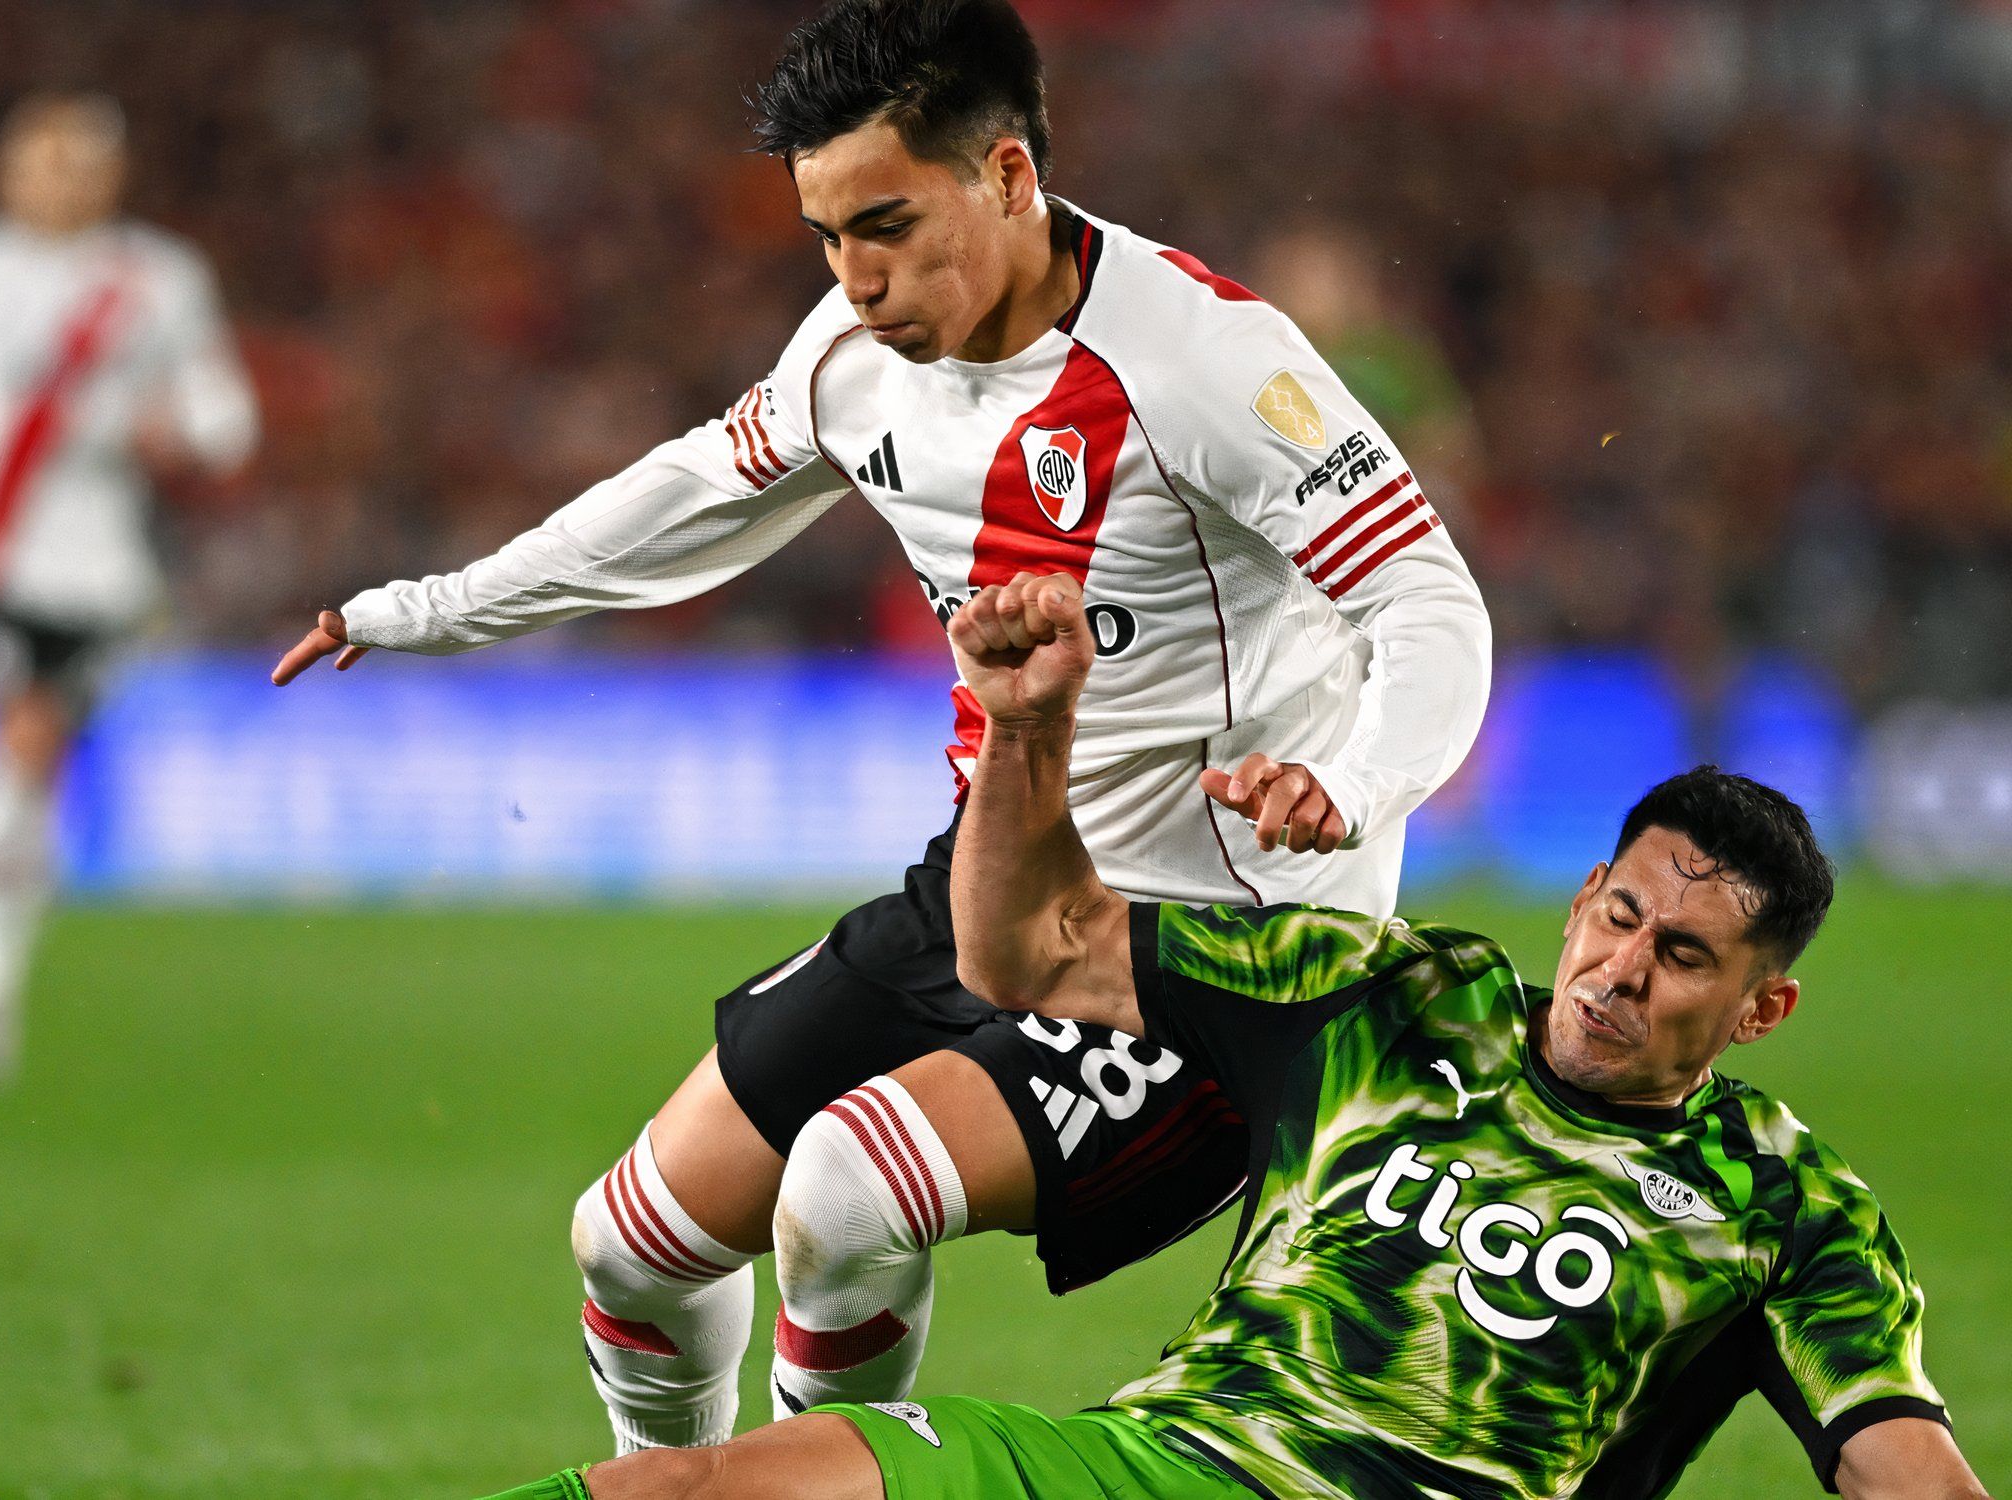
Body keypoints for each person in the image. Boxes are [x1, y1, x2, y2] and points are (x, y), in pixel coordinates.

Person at [0, 574, 1986, 1500]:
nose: (1618, 969)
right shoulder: (1390, 1000)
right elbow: (1032, 941)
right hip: (1147, 1467)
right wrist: (1033, 727)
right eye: (1616, 916)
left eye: (1681, 959)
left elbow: (1906, 1472)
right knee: (688, 1489)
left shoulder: (1787, 1212)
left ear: (1760, 1006)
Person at [269, 0, 1492, 1448]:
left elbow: (1427, 597)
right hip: (994, 888)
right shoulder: (854, 357)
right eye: (828, 238)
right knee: (631, 1245)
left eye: (890, 227)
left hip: (1215, 948)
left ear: (1010, 176)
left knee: (846, 1191)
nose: (858, 279)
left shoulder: (1205, 364)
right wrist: (424, 609)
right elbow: (685, 499)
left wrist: (1353, 787)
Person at [0, 92, 259, 1089]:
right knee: (23, 735)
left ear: (112, 177)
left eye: (80, 163)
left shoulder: (158, 279)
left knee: (37, 767)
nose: (59, 180)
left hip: (104, 569)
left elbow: (224, 415)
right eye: (41, 159)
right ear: (5, 167)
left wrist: (182, 435)